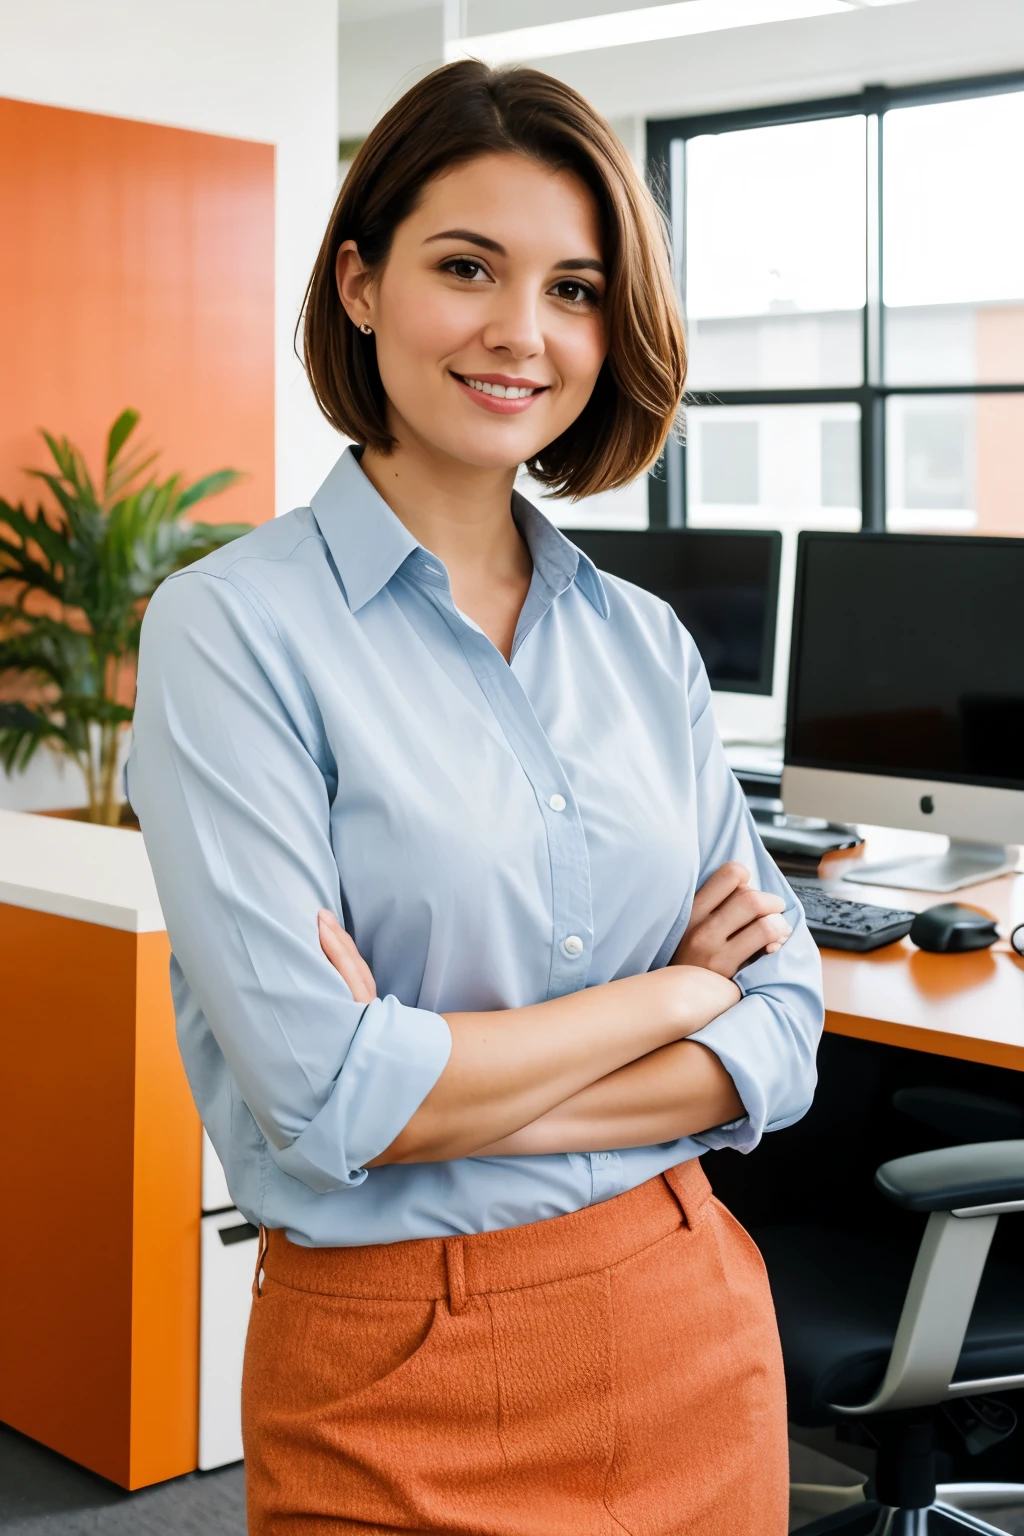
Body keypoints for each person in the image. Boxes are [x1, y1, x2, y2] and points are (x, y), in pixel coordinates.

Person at [128, 59, 823, 1536]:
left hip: (688, 1311)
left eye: (575, 289)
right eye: (468, 268)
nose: (523, 332)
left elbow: (789, 1029)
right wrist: (673, 1001)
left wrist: (429, 1085)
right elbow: (319, 1099)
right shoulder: (230, 632)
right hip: (396, 1366)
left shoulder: (641, 642)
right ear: (362, 283)